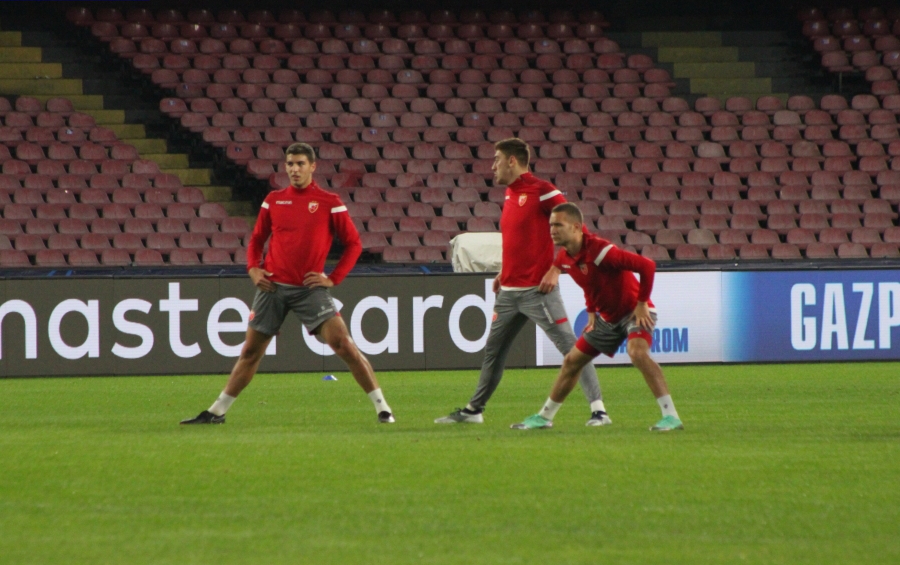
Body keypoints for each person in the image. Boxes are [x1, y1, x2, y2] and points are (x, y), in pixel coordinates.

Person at [181, 143, 395, 425]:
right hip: (272, 288)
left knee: (343, 343)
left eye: (300, 164)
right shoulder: (274, 200)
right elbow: (257, 239)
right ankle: (216, 412)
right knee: (250, 353)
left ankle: (383, 408)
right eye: (290, 164)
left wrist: (333, 278)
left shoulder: (329, 202)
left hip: (310, 290)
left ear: (312, 166)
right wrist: (253, 268)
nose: (295, 169)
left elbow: (354, 244)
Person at [436, 138, 608, 426]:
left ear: (512, 161)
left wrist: (557, 269)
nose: (493, 166)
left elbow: (579, 235)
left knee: (572, 349)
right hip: (508, 292)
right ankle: (474, 410)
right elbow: (519, 240)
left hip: (538, 291)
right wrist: (505, 271)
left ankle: (599, 410)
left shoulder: (543, 191)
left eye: (497, 160)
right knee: (493, 353)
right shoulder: (509, 193)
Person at [511, 202, 683, 431]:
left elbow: (647, 266)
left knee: (637, 353)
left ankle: (671, 416)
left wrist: (642, 303)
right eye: (551, 225)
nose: (552, 230)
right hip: (608, 319)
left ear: (576, 227)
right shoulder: (563, 258)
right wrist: (591, 311)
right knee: (572, 361)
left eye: (558, 225)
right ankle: (544, 417)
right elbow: (589, 284)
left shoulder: (601, 252)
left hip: (635, 312)